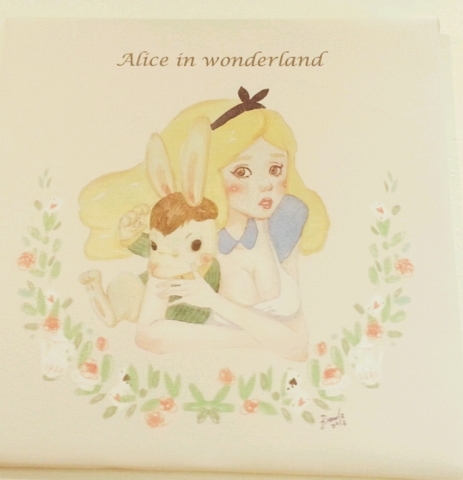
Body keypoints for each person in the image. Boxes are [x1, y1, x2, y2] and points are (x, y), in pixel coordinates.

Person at [79, 88, 329, 361]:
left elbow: (299, 343)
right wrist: (269, 339)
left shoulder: (287, 218)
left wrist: (216, 303)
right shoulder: (187, 229)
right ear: (208, 172)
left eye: (275, 169)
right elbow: (149, 335)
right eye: (242, 171)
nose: (266, 184)